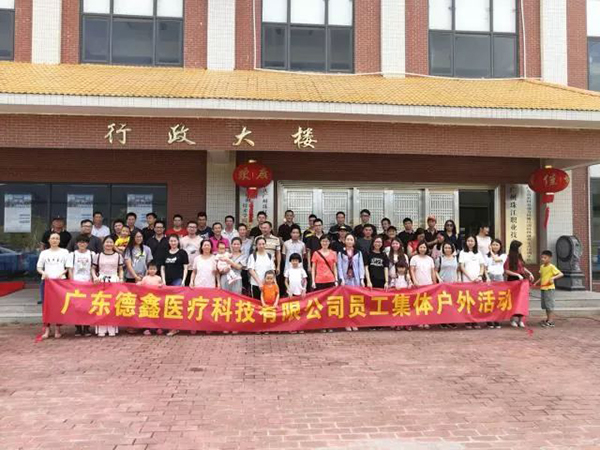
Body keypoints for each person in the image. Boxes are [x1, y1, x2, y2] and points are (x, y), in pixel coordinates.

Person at [37, 232, 69, 337]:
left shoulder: (65, 252)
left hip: (60, 282)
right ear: (49, 240)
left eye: (57, 238)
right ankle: (47, 329)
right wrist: (43, 273)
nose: (55, 240)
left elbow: (68, 267)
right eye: (53, 238)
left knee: (59, 305)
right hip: (47, 282)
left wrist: (63, 273)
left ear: (59, 241)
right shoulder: (44, 253)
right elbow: (39, 267)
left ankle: (57, 329)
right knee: (46, 306)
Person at [93, 236, 124, 337]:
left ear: (113, 244)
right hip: (101, 280)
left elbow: (120, 269)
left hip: (114, 280)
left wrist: (121, 278)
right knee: (101, 303)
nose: (109, 244)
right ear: (103, 244)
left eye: (111, 242)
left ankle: (112, 328)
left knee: (113, 304)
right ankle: (101, 328)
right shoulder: (98, 256)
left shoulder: (118, 256)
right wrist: (95, 277)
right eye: (107, 242)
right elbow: (93, 268)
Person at [66, 234, 95, 336]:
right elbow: (70, 269)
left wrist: (92, 280)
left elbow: (93, 268)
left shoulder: (92, 254)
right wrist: (72, 282)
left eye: (84, 242)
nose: (82, 244)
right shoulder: (72, 254)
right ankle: (78, 327)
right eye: (80, 242)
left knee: (87, 306)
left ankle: (87, 327)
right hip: (76, 283)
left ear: (87, 243)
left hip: (88, 283)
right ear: (77, 243)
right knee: (77, 306)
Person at [504, 240, 534, 328]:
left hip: (522, 280)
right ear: (515, 248)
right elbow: (506, 270)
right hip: (513, 280)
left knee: (522, 300)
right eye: (520, 247)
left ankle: (520, 320)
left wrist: (530, 273)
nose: (521, 249)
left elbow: (522, 268)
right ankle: (513, 319)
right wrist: (517, 275)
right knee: (514, 300)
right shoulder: (509, 258)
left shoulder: (520, 257)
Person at [459, 235, 486, 329]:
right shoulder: (463, 252)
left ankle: (475, 320)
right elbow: (462, 267)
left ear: (475, 242)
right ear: (466, 242)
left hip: (478, 280)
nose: (470, 243)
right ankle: (467, 320)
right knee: (467, 300)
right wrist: (470, 277)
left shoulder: (478, 253)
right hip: (467, 279)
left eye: (472, 241)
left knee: (477, 300)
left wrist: (480, 275)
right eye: (468, 241)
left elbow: (482, 265)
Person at [409, 241, 437, 330]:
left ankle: (426, 320)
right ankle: (419, 321)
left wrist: (434, 283)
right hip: (418, 284)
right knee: (418, 303)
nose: (422, 249)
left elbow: (432, 272)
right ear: (418, 248)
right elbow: (412, 270)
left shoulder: (430, 259)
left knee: (427, 304)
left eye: (424, 247)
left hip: (428, 283)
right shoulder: (414, 258)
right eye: (421, 247)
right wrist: (414, 281)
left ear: (427, 249)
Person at [534, 250, 564, 328]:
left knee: (549, 304)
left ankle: (550, 321)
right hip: (543, 288)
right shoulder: (542, 267)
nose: (543, 259)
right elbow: (542, 277)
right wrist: (536, 283)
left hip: (549, 288)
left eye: (545, 258)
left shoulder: (551, 267)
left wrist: (553, 278)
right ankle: (548, 319)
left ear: (550, 258)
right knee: (545, 305)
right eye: (542, 257)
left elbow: (561, 274)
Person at [435, 241, 459, 330]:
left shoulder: (456, 258)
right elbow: (435, 270)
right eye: (445, 248)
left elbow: (457, 270)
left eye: (449, 248)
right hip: (443, 284)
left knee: (452, 302)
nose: (447, 249)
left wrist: (457, 278)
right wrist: (439, 279)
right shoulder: (439, 259)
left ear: (452, 249)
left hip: (453, 284)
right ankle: (443, 320)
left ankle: (451, 320)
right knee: (443, 302)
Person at [137, 262, 164, 336]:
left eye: (154, 269)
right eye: (151, 269)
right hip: (147, 300)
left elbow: (162, 286)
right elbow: (141, 285)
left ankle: (157, 327)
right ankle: (146, 328)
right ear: (148, 270)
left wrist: (161, 285)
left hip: (155, 300)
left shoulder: (158, 278)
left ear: (156, 270)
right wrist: (138, 283)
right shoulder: (145, 278)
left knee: (156, 314)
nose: (152, 270)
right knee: (147, 314)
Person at [485, 238, 506, 329]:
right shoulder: (486, 256)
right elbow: (485, 268)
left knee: (498, 299)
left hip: (499, 277)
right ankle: (489, 319)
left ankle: (497, 319)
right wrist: (487, 277)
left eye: (497, 245)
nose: (495, 246)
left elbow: (497, 260)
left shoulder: (503, 255)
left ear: (500, 246)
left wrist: (490, 251)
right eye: (493, 244)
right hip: (490, 277)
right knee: (489, 299)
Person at [180, 221, 201, 285]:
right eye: (190, 227)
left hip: (196, 268)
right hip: (185, 268)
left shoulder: (201, 240)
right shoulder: (182, 240)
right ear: (187, 228)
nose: (192, 229)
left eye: (194, 227)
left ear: (197, 229)